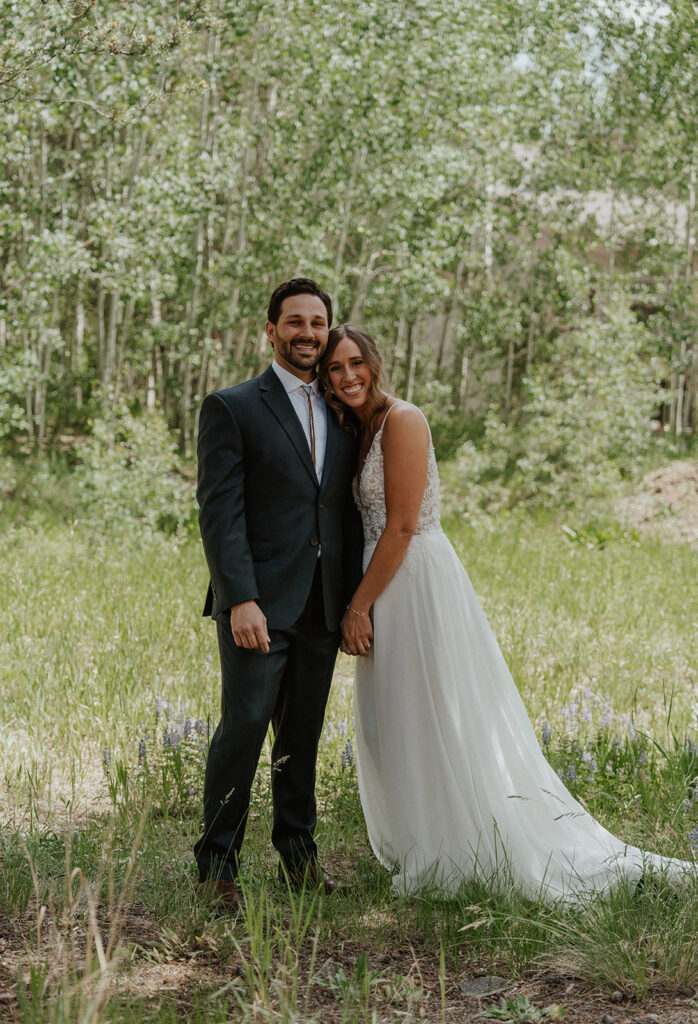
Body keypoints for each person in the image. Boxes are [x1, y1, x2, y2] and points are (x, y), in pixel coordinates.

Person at [319, 323, 695, 901]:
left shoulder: (404, 421)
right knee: (396, 719)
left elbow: (401, 524)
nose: (345, 376)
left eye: (353, 363)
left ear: (373, 361)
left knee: (437, 713)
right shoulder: (360, 429)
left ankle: (471, 846)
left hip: (413, 580)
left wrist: (358, 606)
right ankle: (434, 841)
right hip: (383, 583)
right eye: (333, 369)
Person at [195, 280, 362, 907]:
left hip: (322, 604)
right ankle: (217, 868)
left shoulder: (346, 409)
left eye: (318, 323)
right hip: (258, 605)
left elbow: (342, 510)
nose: (308, 334)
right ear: (271, 330)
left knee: (303, 736)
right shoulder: (233, 407)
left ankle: (298, 857)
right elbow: (220, 513)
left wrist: (353, 603)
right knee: (243, 728)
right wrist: (240, 597)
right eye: (295, 322)